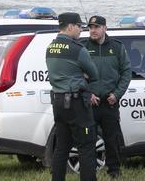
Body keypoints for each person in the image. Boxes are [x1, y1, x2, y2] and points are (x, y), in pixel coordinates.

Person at [45, 12, 99, 181]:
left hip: (59, 102)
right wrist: (82, 75)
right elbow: (94, 74)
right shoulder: (77, 49)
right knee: (87, 146)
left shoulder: (50, 47)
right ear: (69, 27)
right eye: (78, 26)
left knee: (62, 147)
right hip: (76, 104)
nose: (81, 29)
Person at [81, 16, 130, 179]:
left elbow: (126, 73)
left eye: (96, 27)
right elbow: (76, 74)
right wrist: (88, 93)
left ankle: (114, 171)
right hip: (90, 103)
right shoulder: (83, 47)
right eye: (91, 27)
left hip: (110, 102)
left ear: (105, 28)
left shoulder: (117, 47)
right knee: (88, 140)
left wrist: (116, 95)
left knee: (112, 139)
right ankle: (89, 172)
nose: (93, 30)